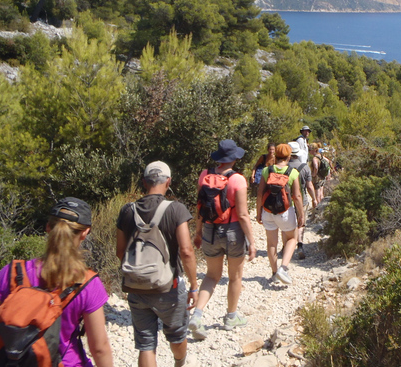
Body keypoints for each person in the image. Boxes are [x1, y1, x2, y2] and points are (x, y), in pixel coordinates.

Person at [0, 198, 113, 367]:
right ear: (84, 233)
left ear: (48, 227)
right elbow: (99, 348)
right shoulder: (88, 283)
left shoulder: (12, 272)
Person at [116, 161, 199, 367]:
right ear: (168, 181)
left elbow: (120, 251)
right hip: (168, 287)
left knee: (145, 344)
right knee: (177, 334)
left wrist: (139, 272)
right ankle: (179, 363)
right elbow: (186, 251)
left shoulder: (127, 210)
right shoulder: (176, 209)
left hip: (136, 288)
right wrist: (194, 285)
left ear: (144, 182)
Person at [190, 139, 256, 340]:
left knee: (211, 276)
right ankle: (231, 317)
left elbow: (200, 207)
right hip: (233, 231)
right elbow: (243, 215)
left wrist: (198, 232)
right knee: (235, 277)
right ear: (235, 158)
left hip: (210, 229)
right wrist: (252, 242)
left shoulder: (205, 175)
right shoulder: (238, 180)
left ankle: (197, 314)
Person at [256, 143, 305, 284]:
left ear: (275, 155)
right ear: (289, 157)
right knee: (292, 239)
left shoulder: (267, 170)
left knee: (271, 243)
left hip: (268, 211)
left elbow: (260, 194)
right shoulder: (293, 172)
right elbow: (297, 196)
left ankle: (273, 273)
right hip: (285, 212)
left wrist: (258, 212)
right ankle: (283, 269)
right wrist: (301, 214)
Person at [288, 141, 316, 260]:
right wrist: (314, 198)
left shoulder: (283, 167)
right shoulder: (304, 167)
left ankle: (286, 246)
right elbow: (309, 186)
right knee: (301, 223)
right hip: (302, 199)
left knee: (288, 224)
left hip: (286, 201)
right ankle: (300, 245)